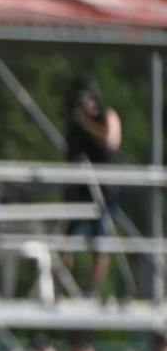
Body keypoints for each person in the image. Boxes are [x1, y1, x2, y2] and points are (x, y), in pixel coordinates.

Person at [63, 78, 123, 297]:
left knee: (101, 240)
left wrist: (85, 123)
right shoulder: (75, 128)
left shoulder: (108, 116)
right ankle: (60, 285)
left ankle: (92, 290)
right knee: (66, 239)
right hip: (81, 189)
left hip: (105, 189)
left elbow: (110, 141)